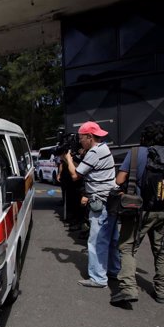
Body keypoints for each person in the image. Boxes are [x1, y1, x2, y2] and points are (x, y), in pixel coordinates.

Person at [113, 122, 164, 304]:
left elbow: (119, 179)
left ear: (144, 137)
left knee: (128, 248)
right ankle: (162, 290)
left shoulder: (135, 153)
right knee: (162, 250)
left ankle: (128, 288)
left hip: (138, 211)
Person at [61, 121, 120, 288]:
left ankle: (98, 278)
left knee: (96, 241)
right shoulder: (104, 148)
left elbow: (75, 175)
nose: (80, 141)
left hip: (100, 201)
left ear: (89, 137)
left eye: (81, 138)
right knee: (112, 239)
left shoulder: (94, 152)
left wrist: (68, 159)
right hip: (111, 200)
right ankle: (114, 270)